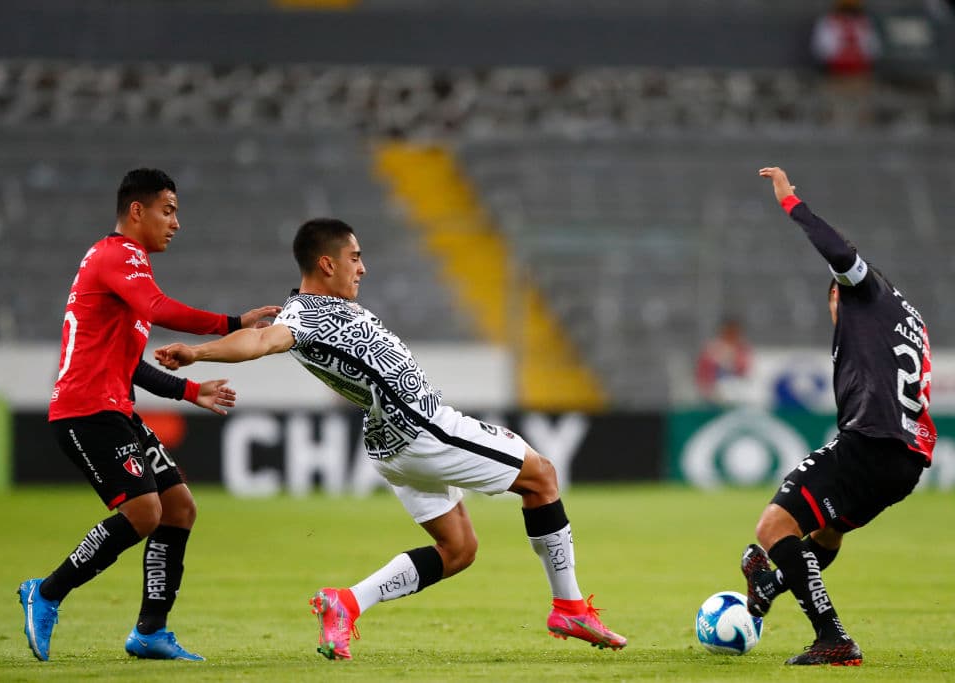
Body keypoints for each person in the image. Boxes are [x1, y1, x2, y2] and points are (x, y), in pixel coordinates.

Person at [154, 218, 627, 661]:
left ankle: (346, 603)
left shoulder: (319, 308)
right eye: (355, 257)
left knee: (458, 550)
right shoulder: (305, 317)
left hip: (389, 443)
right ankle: (569, 608)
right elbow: (260, 343)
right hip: (425, 430)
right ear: (327, 263)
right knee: (541, 476)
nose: (363, 267)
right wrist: (196, 352)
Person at [18, 168, 281, 662]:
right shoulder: (119, 256)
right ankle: (47, 592)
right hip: (85, 411)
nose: (176, 223)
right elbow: (158, 308)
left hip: (115, 408)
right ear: (136, 211)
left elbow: (126, 361)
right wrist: (232, 323)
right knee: (143, 513)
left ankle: (150, 631)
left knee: (179, 507)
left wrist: (189, 390)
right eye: (168, 210)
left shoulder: (122, 266)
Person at [740, 167, 935, 666]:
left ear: (837, 294)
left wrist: (791, 204)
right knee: (827, 533)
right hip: (906, 464)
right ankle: (769, 585)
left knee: (773, 527)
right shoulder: (909, 320)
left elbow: (842, 255)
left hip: (871, 443)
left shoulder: (862, 294)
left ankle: (834, 638)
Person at [695, 318, 752, 406]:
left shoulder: (743, 350)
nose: (731, 335)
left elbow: (746, 372)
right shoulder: (712, 350)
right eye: (729, 332)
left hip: (738, 394)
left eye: (734, 332)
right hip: (714, 396)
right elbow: (702, 375)